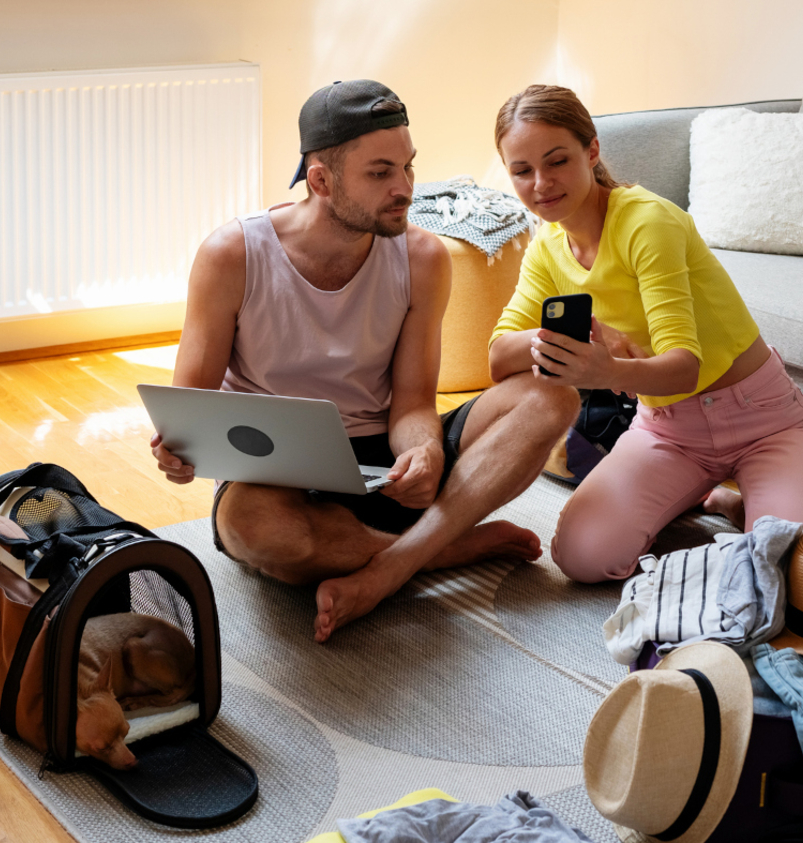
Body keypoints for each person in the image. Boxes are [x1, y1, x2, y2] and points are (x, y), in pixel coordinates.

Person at [151, 80, 580, 641]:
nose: (404, 188)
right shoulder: (232, 254)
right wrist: (179, 452)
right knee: (250, 527)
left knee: (551, 396)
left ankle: (388, 565)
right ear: (321, 181)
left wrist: (423, 452)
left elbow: (412, 403)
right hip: (283, 480)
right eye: (380, 174)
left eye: (408, 167)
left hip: (387, 470)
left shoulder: (423, 257)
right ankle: (443, 547)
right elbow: (192, 414)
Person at [488, 84, 803, 584]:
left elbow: (684, 364)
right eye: (522, 171)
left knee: (800, 572)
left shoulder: (646, 222)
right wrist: (595, 334)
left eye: (556, 161)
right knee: (582, 557)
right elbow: (500, 356)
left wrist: (605, 367)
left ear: (592, 151)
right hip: (669, 429)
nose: (541, 183)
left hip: (764, 420)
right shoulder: (546, 249)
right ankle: (705, 495)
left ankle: (739, 503)